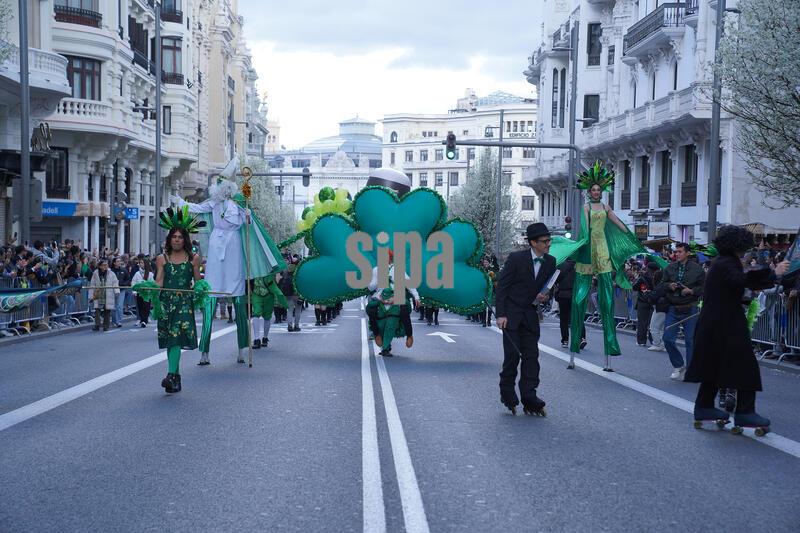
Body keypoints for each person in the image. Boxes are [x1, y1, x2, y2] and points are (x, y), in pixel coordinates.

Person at [172, 157, 284, 365]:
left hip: (233, 248)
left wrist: (248, 216)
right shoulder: (214, 202)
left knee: (239, 299)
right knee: (211, 298)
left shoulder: (240, 203)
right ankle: (204, 352)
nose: (221, 187)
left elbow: (247, 225)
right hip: (217, 246)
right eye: (219, 183)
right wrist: (180, 203)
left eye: (224, 183)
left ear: (230, 187)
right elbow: (196, 209)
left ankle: (242, 349)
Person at [549, 162, 665, 362]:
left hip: (602, 246)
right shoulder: (585, 207)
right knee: (579, 298)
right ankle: (575, 339)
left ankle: (610, 342)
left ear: (601, 191)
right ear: (589, 191)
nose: (595, 192)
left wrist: (629, 235)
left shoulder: (605, 207)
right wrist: (585, 243)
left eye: (598, 190)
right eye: (593, 189)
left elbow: (617, 222)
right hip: (589, 246)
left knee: (608, 298)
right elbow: (585, 227)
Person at [686, 225, 790, 430]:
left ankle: (704, 407)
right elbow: (740, 281)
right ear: (738, 243)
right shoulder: (727, 263)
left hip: (715, 323)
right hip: (725, 324)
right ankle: (745, 412)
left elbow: (737, 285)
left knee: (714, 367)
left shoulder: (722, 262)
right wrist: (772, 272)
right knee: (745, 366)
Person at [495, 222, 557, 415]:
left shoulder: (551, 262)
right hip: (511, 316)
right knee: (512, 357)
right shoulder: (516, 259)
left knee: (532, 357)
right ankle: (507, 393)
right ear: (533, 243)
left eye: (549, 240)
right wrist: (501, 314)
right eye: (544, 241)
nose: (548, 244)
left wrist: (545, 296)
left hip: (531, 316)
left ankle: (529, 396)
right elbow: (502, 287)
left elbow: (548, 287)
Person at [154, 223, 203, 393]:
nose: (176, 239)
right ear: (169, 239)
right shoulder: (162, 258)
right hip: (166, 303)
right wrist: (150, 289)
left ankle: (170, 375)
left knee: (175, 336)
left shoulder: (193, 258)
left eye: (180, 237)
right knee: (170, 340)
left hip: (184, 303)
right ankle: (176, 378)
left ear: (185, 240)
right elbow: (159, 281)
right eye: (174, 236)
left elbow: (198, 282)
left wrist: (201, 290)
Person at [658, 242, 705, 380]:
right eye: (676, 252)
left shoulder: (698, 269)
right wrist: (669, 286)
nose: (677, 254)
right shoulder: (669, 268)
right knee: (667, 339)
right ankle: (679, 365)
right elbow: (661, 284)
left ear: (687, 253)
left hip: (691, 307)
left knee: (690, 341)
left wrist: (691, 291)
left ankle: (691, 371)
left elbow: (703, 287)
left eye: (680, 252)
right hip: (672, 307)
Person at [366, 249, 418, 356]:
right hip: (380, 296)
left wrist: (416, 297)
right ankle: (376, 334)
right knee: (371, 309)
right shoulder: (376, 270)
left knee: (404, 309)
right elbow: (371, 287)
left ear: (390, 258)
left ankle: (409, 335)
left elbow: (409, 283)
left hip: (396, 296)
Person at [554, 258, 585, 348]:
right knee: (578, 316)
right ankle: (581, 337)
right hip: (576, 294)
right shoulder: (579, 265)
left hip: (563, 294)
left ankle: (565, 340)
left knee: (563, 318)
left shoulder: (560, 265)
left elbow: (555, 279)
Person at [250, 272, 286, 350]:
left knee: (267, 317)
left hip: (269, 295)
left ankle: (265, 338)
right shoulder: (253, 267)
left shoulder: (270, 267)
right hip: (256, 294)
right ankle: (256, 339)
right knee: (256, 314)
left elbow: (278, 279)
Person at [633, 262, 659, 346]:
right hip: (653, 302)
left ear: (648, 269)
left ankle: (641, 341)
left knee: (642, 323)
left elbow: (634, 287)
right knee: (653, 323)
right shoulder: (658, 278)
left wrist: (637, 279)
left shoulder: (643, 278)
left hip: (643, 302)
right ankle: (653, 341)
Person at [88, 259, 118, 331]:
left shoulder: (111, 273)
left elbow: (115, 282)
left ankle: (106, 326)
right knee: (97, 310)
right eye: (104, 265)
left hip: (107, 293)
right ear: (100, 266)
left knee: (107, 310)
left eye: (107, 265)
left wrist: (116, 291)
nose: (106, 266)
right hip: (98, 293)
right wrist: (91, 295)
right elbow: (92, 284)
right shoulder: (95, 273)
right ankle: (97, 325)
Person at [131, 259, 153, 328]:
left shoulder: (150, 274)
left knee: (146, 306)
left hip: (147, 293)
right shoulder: (137, 273)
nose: (141, 264)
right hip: (139, 293)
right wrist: (134, 291)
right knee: (140, 307)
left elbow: (152, 283)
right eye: (140, 263)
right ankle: (142, 319)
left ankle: (144, 321)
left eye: (142, 263)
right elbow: (133, 282)